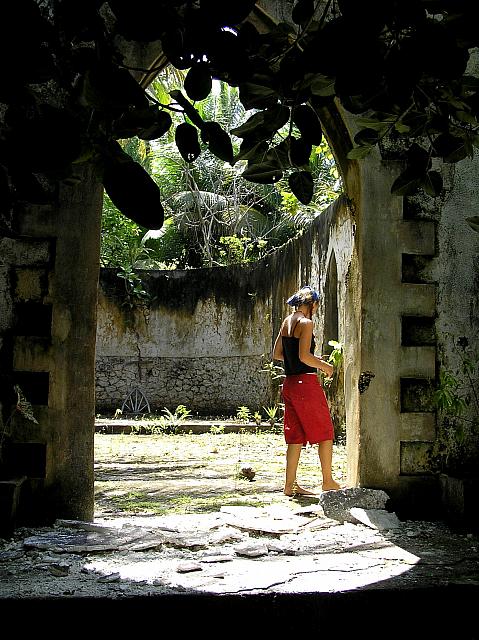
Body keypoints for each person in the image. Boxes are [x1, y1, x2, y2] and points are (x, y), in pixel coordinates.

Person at [272, 285, 342, 495]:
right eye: (316, 306)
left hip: (290, 384)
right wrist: (324, 366)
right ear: (312, 304)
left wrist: (309, 360)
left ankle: (289, 485)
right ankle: (327, 481)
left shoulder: (287, 321)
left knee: (295, 436)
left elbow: (277, 353)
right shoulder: (307, 322)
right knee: (326, 432)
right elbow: (304, 356)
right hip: (306, 384)